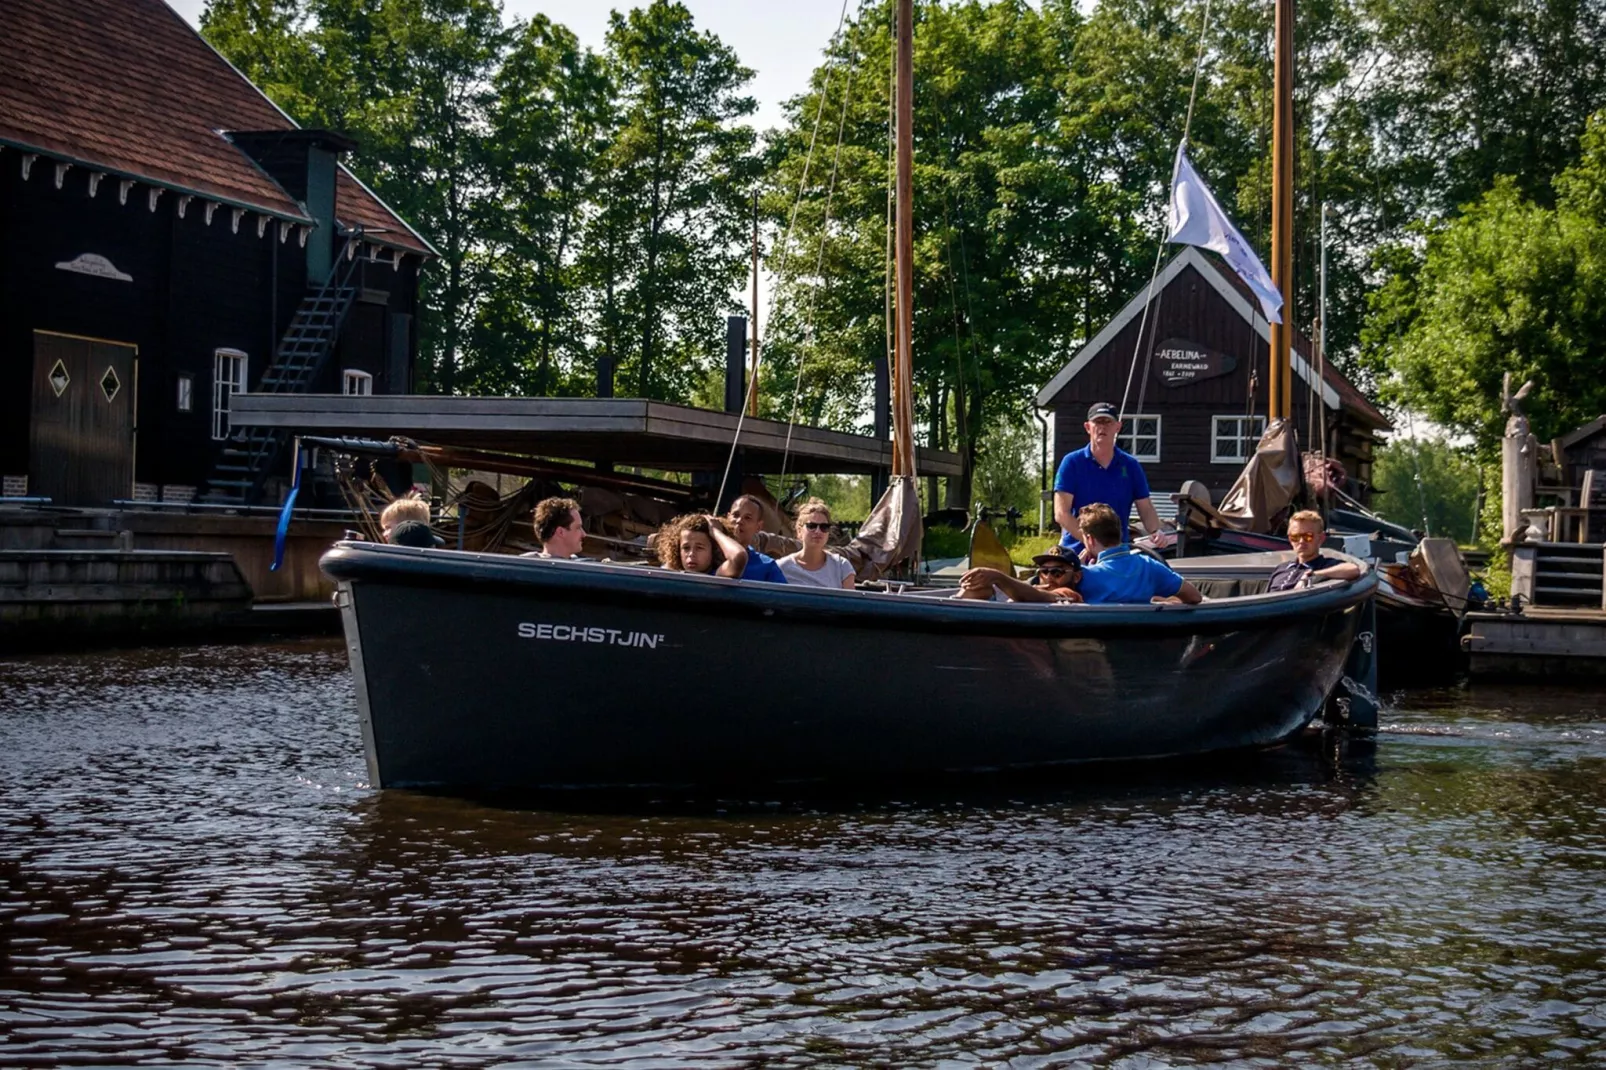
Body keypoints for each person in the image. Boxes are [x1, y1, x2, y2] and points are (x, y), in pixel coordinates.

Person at [1053, 401, 1172, 562]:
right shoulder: (1072, 463)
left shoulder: (1131, 465)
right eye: (1098, 422)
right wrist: (1090, 543)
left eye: (1108, 422)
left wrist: (1155, 531)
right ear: (1088, 427)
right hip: (1076, 552)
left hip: (1117, 555)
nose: (1103, 427)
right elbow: (1061, 513)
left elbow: (1145, 507)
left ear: (1118, 427)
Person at [1076, 503, 1202, 605]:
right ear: (1119, 533)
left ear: (1090, 539)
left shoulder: (1083, 576)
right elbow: (1194, 596)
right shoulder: (1148, 566)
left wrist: (1077, 569)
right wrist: (1164, 601)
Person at [1269, 509, 1364, 591]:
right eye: (1295, 537)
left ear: (1321, 538)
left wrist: (1313, 575)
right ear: (1290, 539)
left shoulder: (1326, 565)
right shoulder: (1281, 568)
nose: (1301, 541)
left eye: (1308, 536)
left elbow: (1353, 570)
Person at [956, 544, 1083, 603]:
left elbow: (1042, 597)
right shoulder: (1027, 589)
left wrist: (998, 577)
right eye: (1043, 571)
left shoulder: (1070, 595)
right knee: (979, 589)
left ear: (1076, 577)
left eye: (1057, 572)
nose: (1048, 577)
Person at [777, 498, 856, 589]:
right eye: (812, 526)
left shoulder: (842, 567)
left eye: (824, 527)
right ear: (799, 531)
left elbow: (850, 602)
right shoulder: (782, 567)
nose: (818, 531)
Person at [655, 513, 748, 579]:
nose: (691, 554)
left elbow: (738, 557)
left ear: (714, 550)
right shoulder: (670, 573)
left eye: (699, 548)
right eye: (686, 548)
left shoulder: (718, 575)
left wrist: (716, 532)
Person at [724, 494, 789, 583]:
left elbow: (782, 595)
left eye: (747, 518)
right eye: (735, 515)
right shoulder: (707, 553)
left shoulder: (767, 566)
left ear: (758, 527)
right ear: (728, 517)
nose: (739, 521)